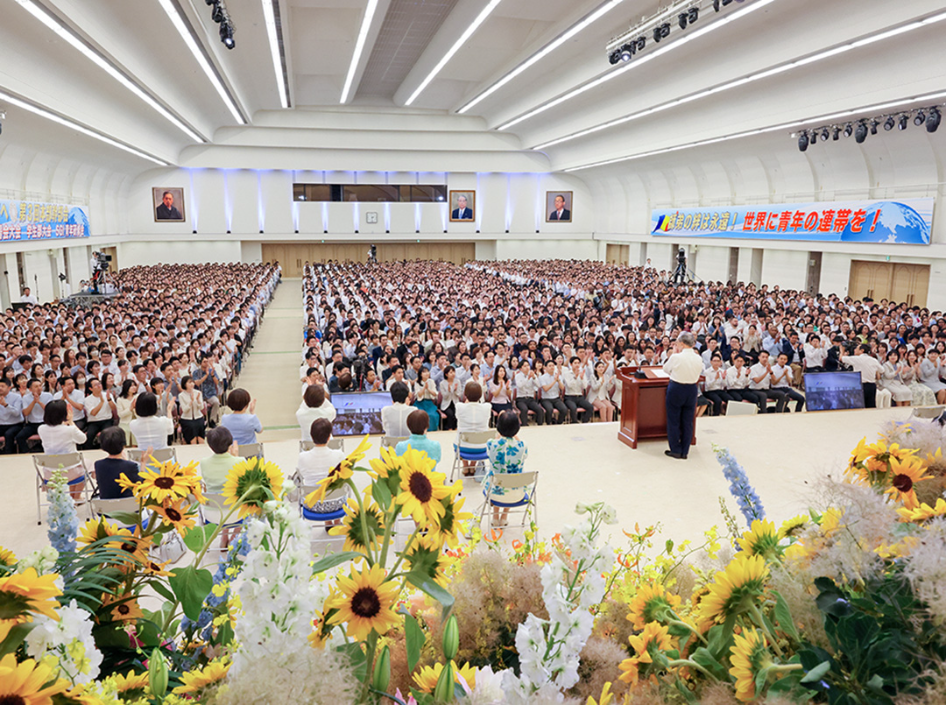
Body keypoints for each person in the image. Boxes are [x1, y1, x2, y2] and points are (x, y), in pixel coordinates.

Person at [297, 418, 347, 520]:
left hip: (312, 505)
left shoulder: (303, 457)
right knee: (335, 483)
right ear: (329, 437)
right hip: (336, 504)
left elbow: (301, 475)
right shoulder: (339, 455)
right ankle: (335, 522)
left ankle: (328, 523)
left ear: (311, 436)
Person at [662, 332, 702, 460]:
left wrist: (674, 353)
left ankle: (675, 450)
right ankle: (685, 451)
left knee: (674, 420)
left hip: (677, 388)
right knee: (687, 421)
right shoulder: (698, 358)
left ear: (682, 344)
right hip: (691, 389)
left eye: (678, 343)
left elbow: (666, 369)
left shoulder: (676, 357)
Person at [485, 410, 529, 527]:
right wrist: (513, 434)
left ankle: (495, 517)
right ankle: (504, 516)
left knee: (498, 478)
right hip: (517, 493)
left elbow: (494, 443)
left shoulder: (491, 444)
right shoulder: (522, 446)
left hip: (494, 492)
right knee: (512, 478)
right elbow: (523, 449)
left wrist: (501, 432)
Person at [38, 400, 88, 498]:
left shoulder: (41, 429)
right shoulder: (70, 429)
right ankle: (76, 497)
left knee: (75, 464)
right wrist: (71, 421)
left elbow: (57, 430)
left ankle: (72, 498)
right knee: (87, 465)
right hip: (70, 472)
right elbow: (83, 439)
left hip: (51, 473)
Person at [93, 427, 142, 500]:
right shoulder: (131, 465)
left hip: (106, 508)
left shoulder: (98, 464)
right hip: (128, 508)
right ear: (124, 444)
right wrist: (143, 463)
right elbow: (140, 486)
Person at [455, 381, 492, 476]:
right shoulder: (487, 407)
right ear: (480, 395)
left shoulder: (459, 407)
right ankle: (472, 465)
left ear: (465, 395)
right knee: (477, 435)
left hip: (463, 448)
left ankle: (466, 466)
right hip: (482, 448)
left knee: (463, 435)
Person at [199, 426, 241, 494]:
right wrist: (236, 456)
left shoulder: (204, 462)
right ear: (230, 443)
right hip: (233, 502)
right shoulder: (239, 461)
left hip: (212, 503)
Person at [18, 378, 54, 453]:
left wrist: (39, 402)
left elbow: (50, 411)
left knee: (52, 436)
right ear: (30, 389)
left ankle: (49, 452)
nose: (39, 388)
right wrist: (34, 401)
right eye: (36, 386)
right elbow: (26, 413)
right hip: (32, 424)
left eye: (40, 386)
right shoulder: (26, 397)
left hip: (45, 423)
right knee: (19, 437)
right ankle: (26, 453)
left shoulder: (48, 395)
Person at [842, 344, 883, 408]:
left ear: (862, 350)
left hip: (860, 386)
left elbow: (841, 358)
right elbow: (882, 370)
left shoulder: (856, 359)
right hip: (871, 386)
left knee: (859, 406)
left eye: (856, 348)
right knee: (871, 406)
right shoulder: (873, 360)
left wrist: (842, 350)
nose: (854, 350)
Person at [81, 377, 115, 450]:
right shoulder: (87, 399)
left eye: (99, 383)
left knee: (107, 434)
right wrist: (102, 402)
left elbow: (113, 408)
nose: (99, 386)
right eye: (96, 385)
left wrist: (109, 399)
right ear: (91, 389)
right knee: (89, 435)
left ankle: (107, 450)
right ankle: (88, 451)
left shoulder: (108, 395)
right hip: (93, 422)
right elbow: (93, 413)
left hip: (107, 420)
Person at [562, 356, 593, 423]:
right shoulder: (567, 374)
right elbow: (569, 385)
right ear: (571, 364)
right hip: (569, 397)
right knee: (573, 408)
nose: (577, 365)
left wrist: (581, 378)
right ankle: (574, 423)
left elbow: (585, 387)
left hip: (579, 396)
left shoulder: (581, 373)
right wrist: (575, 377)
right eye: (575, 363)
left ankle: (584, 422)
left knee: (590, 407)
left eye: (578, 363)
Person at [514, 360, 545, 426]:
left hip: (530, 399)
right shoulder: (518, 376)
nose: (527, 367)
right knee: (524, 409)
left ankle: (540, 425)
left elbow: (539, 385)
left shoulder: (532, 375)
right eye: (525, 366)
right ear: (521, 368)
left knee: (540, 410)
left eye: (528, 365)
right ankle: (524, 425)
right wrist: (527, 378)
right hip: (521, 399)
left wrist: (534, 377)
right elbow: (520, 385)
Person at [192, 356, 221, 427]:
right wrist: (206, 375)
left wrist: (212, 375)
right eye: (204, 362)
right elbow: (197, 383)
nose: (206, 363)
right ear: (200, 363)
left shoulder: (212, 371)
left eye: (207, 361)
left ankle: (212, 421)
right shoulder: (196, 372)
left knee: (216, 402)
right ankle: (202, 422)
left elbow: (217, 382)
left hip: (210, 394)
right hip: (199, 394)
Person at [538, 358, 568, 425]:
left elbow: (562, 388)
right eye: (550, 366)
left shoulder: (558, 376)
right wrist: (554, 381)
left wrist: (559, 380)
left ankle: (559, 423)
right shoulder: (542, 377)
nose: (552, 367)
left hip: (556, 398)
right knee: (549, 409)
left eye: (553, 366)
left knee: (564, 409)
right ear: (545, 367)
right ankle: (549, 423)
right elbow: (545, 389)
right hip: (546, 399)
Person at [178, 375, 206, 444]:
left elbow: (201, 407)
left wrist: (198, 401)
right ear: (184, 384)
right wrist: (191, 401)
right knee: (193, 440)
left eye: (192, 382)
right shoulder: (181, 395)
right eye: (189, 382)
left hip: (198, 417)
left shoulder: (198, 393)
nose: (192, 384)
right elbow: (184, 410)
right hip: (187, 419)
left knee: (201, 440)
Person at [412, 367, 440, 432]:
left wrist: (428, 389)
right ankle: (421, 430)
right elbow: (418, 394)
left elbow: (435, 394)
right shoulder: (417, 382)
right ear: (420, 374)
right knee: (421, 415)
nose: (426, 373)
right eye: (424, 372)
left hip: (429, 403)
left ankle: (432, 430)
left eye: (427, 371)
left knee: (433, 415)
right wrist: (424, 388)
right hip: (420, 403)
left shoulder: (431, 381)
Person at [0, 379, 23, 454]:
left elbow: (17, 413)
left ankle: (9, 455)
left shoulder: (16, 397)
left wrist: (6, 405)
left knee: (8, 434)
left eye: (2, 386)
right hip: (1, 424)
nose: (0, 388)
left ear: (9, 388)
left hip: (15, 424)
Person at [438, 365, 461, 431]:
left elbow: (459, 394)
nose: (453, 374)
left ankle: (456, 428)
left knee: (456, 413)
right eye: (450, 372)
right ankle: (449, 428)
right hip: (446, 404)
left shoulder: (457, 381)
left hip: (455, 402)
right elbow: (445, 396)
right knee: (450, 414)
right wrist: (448, 390)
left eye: (453, 372)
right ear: (446, 374)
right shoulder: (442, 383)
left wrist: (455, 390)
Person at [116, 379, 137, 445]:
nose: (134, 387)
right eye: (132, 386)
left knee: (136, 430)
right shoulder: (120, 399)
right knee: (125, 431)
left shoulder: (138, 397)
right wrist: (130, 409)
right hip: (125, 422)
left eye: (135, 386)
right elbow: (120, 415)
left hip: (137, 421)